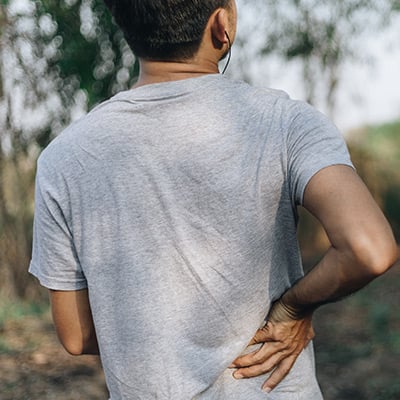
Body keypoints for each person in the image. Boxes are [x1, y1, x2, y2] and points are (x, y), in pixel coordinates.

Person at [29, 0, 398, 399]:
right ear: (222, 24)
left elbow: (75, 334)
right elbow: (369, 249)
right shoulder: (285, 121)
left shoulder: (63, 159)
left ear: (130, 30)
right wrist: (294, 307)